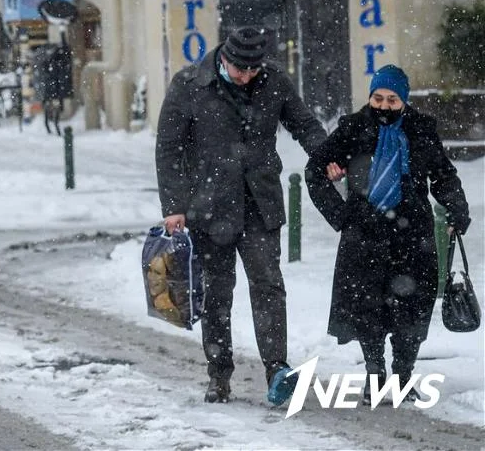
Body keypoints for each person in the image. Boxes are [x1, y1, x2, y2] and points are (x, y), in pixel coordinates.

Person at [155, 26, 327, 404]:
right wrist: (174, 207)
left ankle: (277, 370)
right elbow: (168, 149)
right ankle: (219, 375)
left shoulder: (274, 82)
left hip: (259, 204)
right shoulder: (189, 85)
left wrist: (328, 155)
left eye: (253, 70)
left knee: (268, 285)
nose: (246, 77)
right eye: (239, 70)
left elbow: (303, 124)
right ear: (224, 58)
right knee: (217, 294)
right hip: (208, 207)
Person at [304, 65, 470, 401]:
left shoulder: (421, 130)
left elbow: (442, 175)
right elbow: (315, 171)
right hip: (365, 233)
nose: (383, 105)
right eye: (377, 97)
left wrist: (457, 208)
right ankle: (375, 376)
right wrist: (340, 214)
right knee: (369, 308)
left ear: (404, 101)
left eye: (392, 99)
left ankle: (404, 377)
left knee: (412, 308)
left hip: (413, 235)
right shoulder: (352, 128)